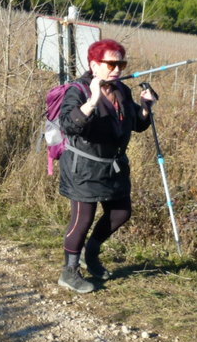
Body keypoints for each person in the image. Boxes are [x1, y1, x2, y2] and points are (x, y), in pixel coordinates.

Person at [57, 38, 157, 294]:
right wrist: (92, 100)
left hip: (114, 166)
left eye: (121, 63)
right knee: (83, 219)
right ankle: (69, 272)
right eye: (110, 63)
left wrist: (146, 107)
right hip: (84, 168)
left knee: (121, 213)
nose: (117, 69)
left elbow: (136, 124)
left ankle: (91, 254)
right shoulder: (77, 90)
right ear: (94, 64)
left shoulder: (122, 90)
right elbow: (69, 125)